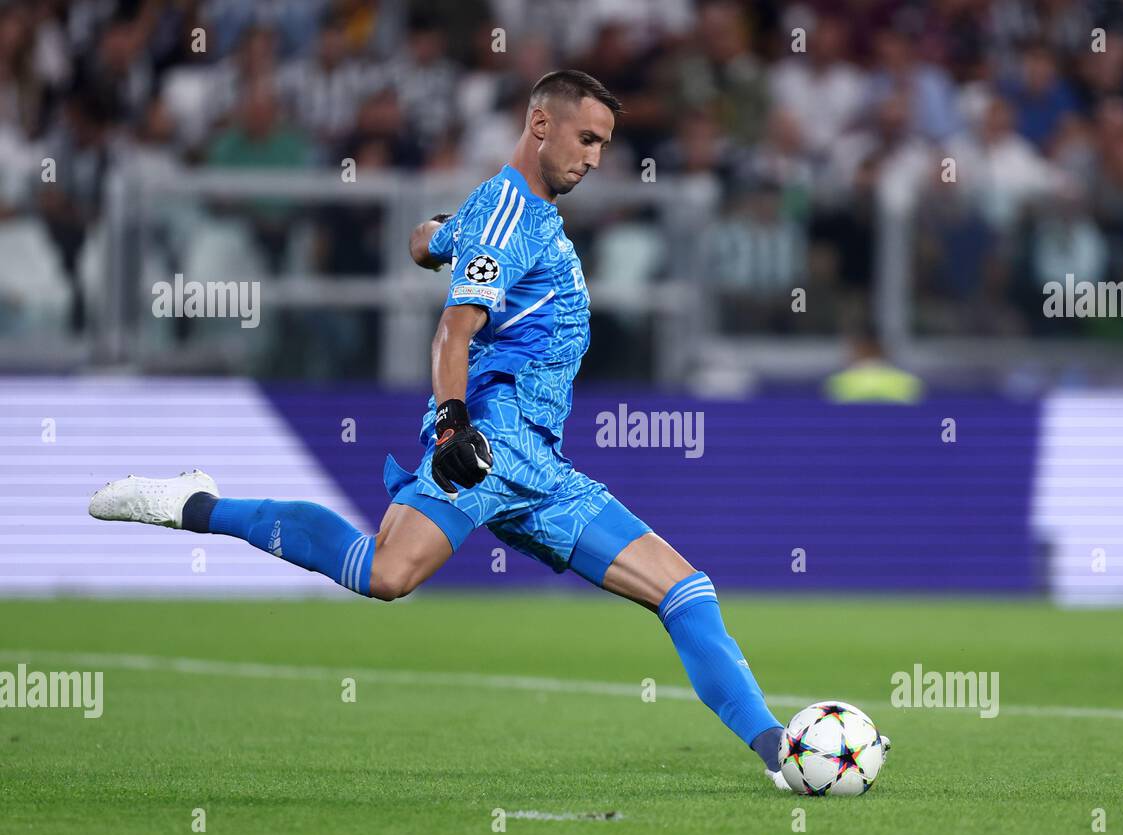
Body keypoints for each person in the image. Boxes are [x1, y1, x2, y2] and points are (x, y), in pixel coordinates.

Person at [88, 70, 888, 790]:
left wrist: (443, 235)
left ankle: (778, 753)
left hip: (540, 462)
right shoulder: (511, 213)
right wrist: (450, 422)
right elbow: (453, 335)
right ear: (540, 125)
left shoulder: (499, 212)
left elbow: (419, 242)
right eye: (586, 139)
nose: (595, 159)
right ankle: (194, 505)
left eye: (605, 146)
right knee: (384, 575)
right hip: (487, 444)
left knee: (685, 591)